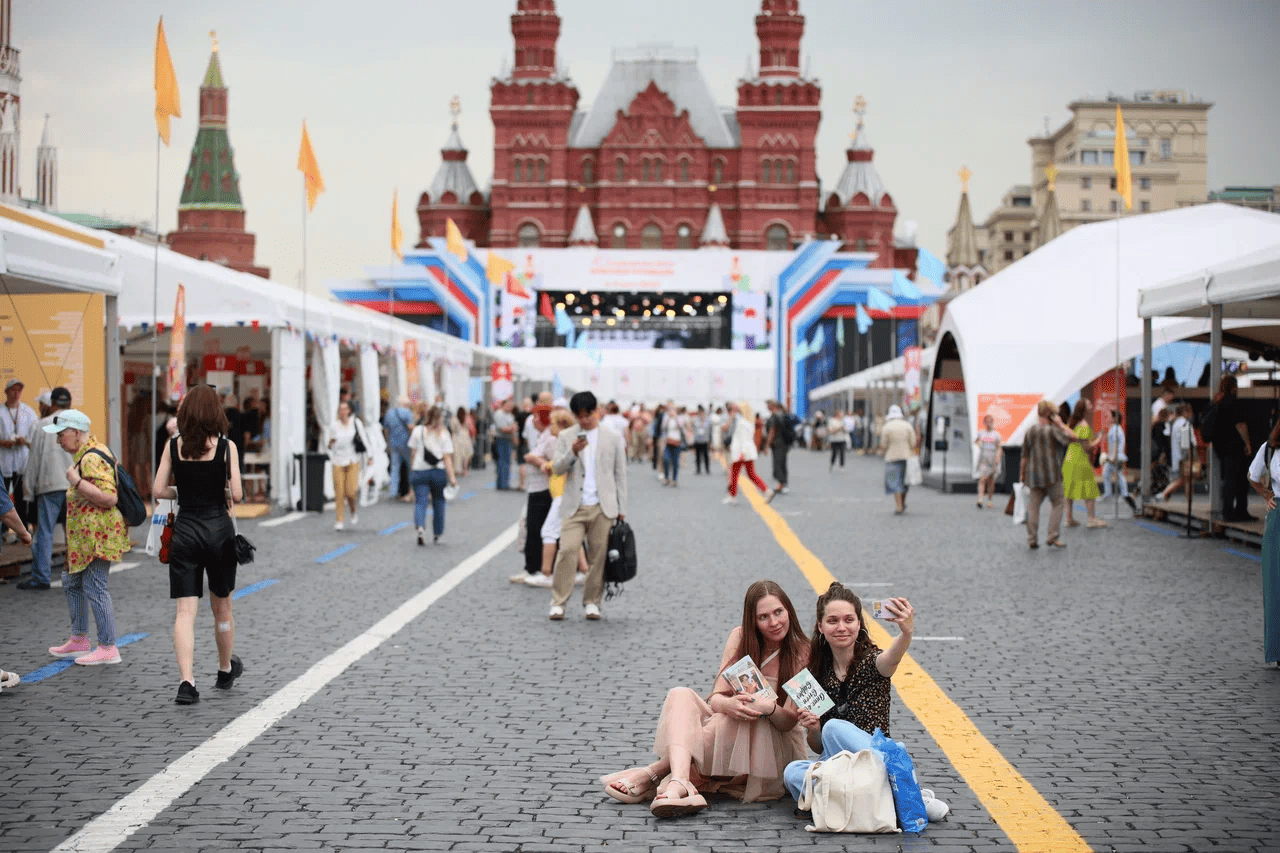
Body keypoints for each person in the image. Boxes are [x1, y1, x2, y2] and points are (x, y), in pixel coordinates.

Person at [599, 580, 809, 815]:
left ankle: (654, 772)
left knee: (734, 719)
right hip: (730, 730)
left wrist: (768, 708)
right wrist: (729, 704)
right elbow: (715, 698)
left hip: (772, 744)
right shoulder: (740, 637)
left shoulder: (804, 652)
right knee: (681, 694)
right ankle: (680, 780)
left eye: (778, 612)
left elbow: (789, 722)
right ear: (753, 620)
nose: (774, 622)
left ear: (789, 610)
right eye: (763, 617)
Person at [781, 583, 947, 820]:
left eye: (849, 620)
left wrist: (906, 633)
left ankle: (887, 791)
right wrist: (814, 729)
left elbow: (892, 658)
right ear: (820, 626)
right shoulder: (815, 675)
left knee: (834, 727)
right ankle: (895, 796)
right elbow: (819, 747)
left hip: (875, 759)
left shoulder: (872, 662)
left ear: (859, 624)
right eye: (832, 621)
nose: (841, 627)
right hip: (841, 766)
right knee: (792, 772)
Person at [151, 385, 245, 705]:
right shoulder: (226, 447)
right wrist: (218, 490)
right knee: (223, 608)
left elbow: (158, 490)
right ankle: (224, 669)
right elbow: (238, 494)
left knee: (184, 612)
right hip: (219, 531)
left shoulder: (173, 445)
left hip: (186, 531)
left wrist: (182, 492)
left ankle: (187, 682)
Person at [43, 410, 130, 667]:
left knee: (94, 585)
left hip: (97, 536)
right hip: (86, 537)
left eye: (62, 434)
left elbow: (109, 497)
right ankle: (79, 638)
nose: (59, 440)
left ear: (77, 433)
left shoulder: (91, 458)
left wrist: (77, 481)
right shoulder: (87, 455)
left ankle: (108, 646)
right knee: (71, 580)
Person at [547, 391, 627, 621]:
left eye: (587, 415)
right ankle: (558, 602)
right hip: (574, 505)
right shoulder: (566, 436)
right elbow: (557, 468)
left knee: (598, 557)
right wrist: (573, 451)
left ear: (597, 411)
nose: (583, 420)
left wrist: (622, 508)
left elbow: (620, 474)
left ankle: (592, 601)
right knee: (567, 551)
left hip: (603, 506)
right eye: (579, 416)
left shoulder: (612, 436)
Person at [19, 387, 73, 590]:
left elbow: (33, 460)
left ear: (52, 404)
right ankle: (78, 573)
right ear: (69, 403)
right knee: (74, 531)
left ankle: (41, 577)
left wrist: (28, 490)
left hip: (49, 484)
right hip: (75, 484)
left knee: (44, 532)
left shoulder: (43, 425)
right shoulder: (78, 424)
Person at [1020, 400, 1078, 549]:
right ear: (1051, 415)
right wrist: (1061, 425)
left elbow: (1024, 455)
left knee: (1033, 507)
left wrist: (1022, 475)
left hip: (1034, 475)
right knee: (1058, 503)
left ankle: (1032, 539)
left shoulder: (1030, 431)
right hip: (1053, 475)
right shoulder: (1053, 430)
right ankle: (1052, 536)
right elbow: (1074, 438)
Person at [1247, 419, 1280, 664]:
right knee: (1275, 584)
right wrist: (1267, 494)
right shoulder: (1269, 449)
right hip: (1278, 516)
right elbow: (1253, 475)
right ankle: (1277, 650)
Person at [407, 405, 458, 546]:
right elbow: (447, 458)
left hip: (419, 471)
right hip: (438, 472)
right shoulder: (444, 434)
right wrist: (452, 478)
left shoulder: (418, 431)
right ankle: (437, 534)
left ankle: (420, 528)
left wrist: (412, 469)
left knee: (420, 501)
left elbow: (413, 453)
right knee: (439, 502)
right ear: (440, 418)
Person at [516, 402, 554, 585]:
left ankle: (536, 569)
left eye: (537, 416)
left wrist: (535, 460)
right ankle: (531, 567)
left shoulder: (551, 439)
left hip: (544, 490)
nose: (533, 420)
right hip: (536, 488)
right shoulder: (542, 436)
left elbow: (554, 465)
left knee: (536, 530)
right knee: (531, 529)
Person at [1210, 375, 1254, 521]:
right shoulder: (1233, 402)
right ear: (1233, 387)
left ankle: (1229, 511)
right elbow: (1240, 424)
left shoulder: (1218, 402)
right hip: (1234, 447)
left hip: (1222, 447)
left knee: (1230, 480)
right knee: (1239, 480)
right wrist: (1247, 443)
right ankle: (1237, 511)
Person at [0, 377, 38, 536]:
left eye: (19, 390)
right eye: (13, 390)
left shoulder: (28, 412)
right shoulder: (1, 412)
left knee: (22, 499)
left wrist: (25, 441)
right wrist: (4, 443)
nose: (16, 393)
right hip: (4, 462)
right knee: (4, 498)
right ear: (6, 392)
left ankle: (23, 531)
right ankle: (4, 531)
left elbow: (35, 438)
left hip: (23, 462)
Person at [1062, 399, 1107, 529]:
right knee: (1089, 489)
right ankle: (1091, 519)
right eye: (1089, 404)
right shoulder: (1084, 425)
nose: (1092, 406)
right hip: (1080, 460)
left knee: (1069, 490)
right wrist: (1099, 438)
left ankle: (1069, 518)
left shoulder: (1072, 423)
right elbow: (1088, 447)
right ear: (1084, 409)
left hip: (1069, 459)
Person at [328, 400, 368, 530]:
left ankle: (353, 509)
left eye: (345, 409)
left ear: (349, 410)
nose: (342, 412)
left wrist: (370, 456)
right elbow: (330, 445)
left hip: (352, 459)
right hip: (337, 461)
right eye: (340, 409)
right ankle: (339, 520)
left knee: (351, 491)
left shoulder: (356, 423)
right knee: (339, 492)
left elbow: (364, 439)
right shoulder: (334, 426)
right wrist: (331, 444)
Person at [723, 402, 773, 505]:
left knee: (734, 475)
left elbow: (743, 440)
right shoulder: (749, 422)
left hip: (741, 453)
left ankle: (732, 496)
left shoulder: (742, 423)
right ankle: (766, 491)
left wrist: (742, 453)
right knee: (751, 474)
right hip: (747, 452)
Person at [878, 405, 916, 515]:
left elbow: (883, 444)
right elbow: (913, 442)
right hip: (907, 456)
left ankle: (898, 506)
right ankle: (903, 502)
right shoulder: (907, 425)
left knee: (894, 482)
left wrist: (882, 452)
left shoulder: (887, 427)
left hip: (891, 457)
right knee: (905, 482)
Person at [1158, 402, 1197, 503]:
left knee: (1184, 480)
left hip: (1178, 456)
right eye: (1190, 412)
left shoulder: (1176, 424)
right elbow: (1186, 443)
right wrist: (1189, 457)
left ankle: (1186, 500)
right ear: (1185, 412)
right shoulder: (1184, 424)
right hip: (1184, 457)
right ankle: (1164, 495)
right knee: (1186, 480)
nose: (1191, 414)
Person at [1101, 409, 1138, 514]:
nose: (1108, 418)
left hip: (1116, 457)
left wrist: (1113, 457)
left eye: (1110, 416)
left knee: (1119, 476)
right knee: (1106, 474)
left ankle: (1124, 494)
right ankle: (1109, 494)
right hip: (1113, 456)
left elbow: (1116, 443)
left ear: (1115, 418)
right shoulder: (1114, 428)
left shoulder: (1116, 429)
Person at [382, 395, 415, 503]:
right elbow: (410, 427)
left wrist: (387, 441)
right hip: (406, 443)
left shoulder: (389, 413)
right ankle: (410, 489)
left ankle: (393, 491)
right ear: (405, 404)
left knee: (395, 467)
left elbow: (385, 429)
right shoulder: (407, 413)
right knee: (409, 467)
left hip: (393, 443)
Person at [973, 414, 1003, 509]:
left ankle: (989, 500)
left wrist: (998, 458)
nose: (988, 424)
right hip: (983, 458)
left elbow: (999, 447)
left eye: (990, 422)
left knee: (991, 480)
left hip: (992, 458)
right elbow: (976, 441)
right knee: (982, 479)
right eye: (987, 422)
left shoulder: (996, 435)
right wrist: (979, 445)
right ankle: (980, 499)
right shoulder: (981, 433)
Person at [764, 400, 791, 495]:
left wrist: (767, 445)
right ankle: (783, 484)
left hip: (778, 443)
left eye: (768, 404)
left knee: (778, 464)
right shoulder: (781, 414)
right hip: (784, 443)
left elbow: (772, 431)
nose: (766, 406)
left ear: (772, 405)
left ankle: (781, 484)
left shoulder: (774, 416)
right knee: (782, 463)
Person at [661, 403, 689, 487]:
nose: (671, 412)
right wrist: (668, 418)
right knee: (666, 460)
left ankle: (674, 479)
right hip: (668, 442)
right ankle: (666, 477)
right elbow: (663, 428)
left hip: (677, 442)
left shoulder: (679, 418)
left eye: (672, 410)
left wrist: (675, 417)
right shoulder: (667, 418)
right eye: (669, 410)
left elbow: (681, 426)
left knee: (675, 462)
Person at [491, 398, 517, 490]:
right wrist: (511, 428)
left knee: (507, 462)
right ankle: (501, 484)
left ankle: (505, 483)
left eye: (511, 406)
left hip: (508, 440)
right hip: (501, 440)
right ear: (504, 405)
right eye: (508, 405)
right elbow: (502, 429)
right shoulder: (499, 414)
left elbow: (514, 428)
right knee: (502, 462)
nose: (510, 407)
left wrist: (511, 429)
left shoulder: (510, 415)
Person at [691, 406, 711, 475]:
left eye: (702, 412)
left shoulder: (708, 420)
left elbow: (710, 431)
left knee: (706, 456)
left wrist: (710, 441)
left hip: (705, 440)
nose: (701, 414)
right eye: (700, 413)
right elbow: (692, 429)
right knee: (698, 456)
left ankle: (707, 469)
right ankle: (698, 469)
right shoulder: (695, 420)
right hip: (697, 440)